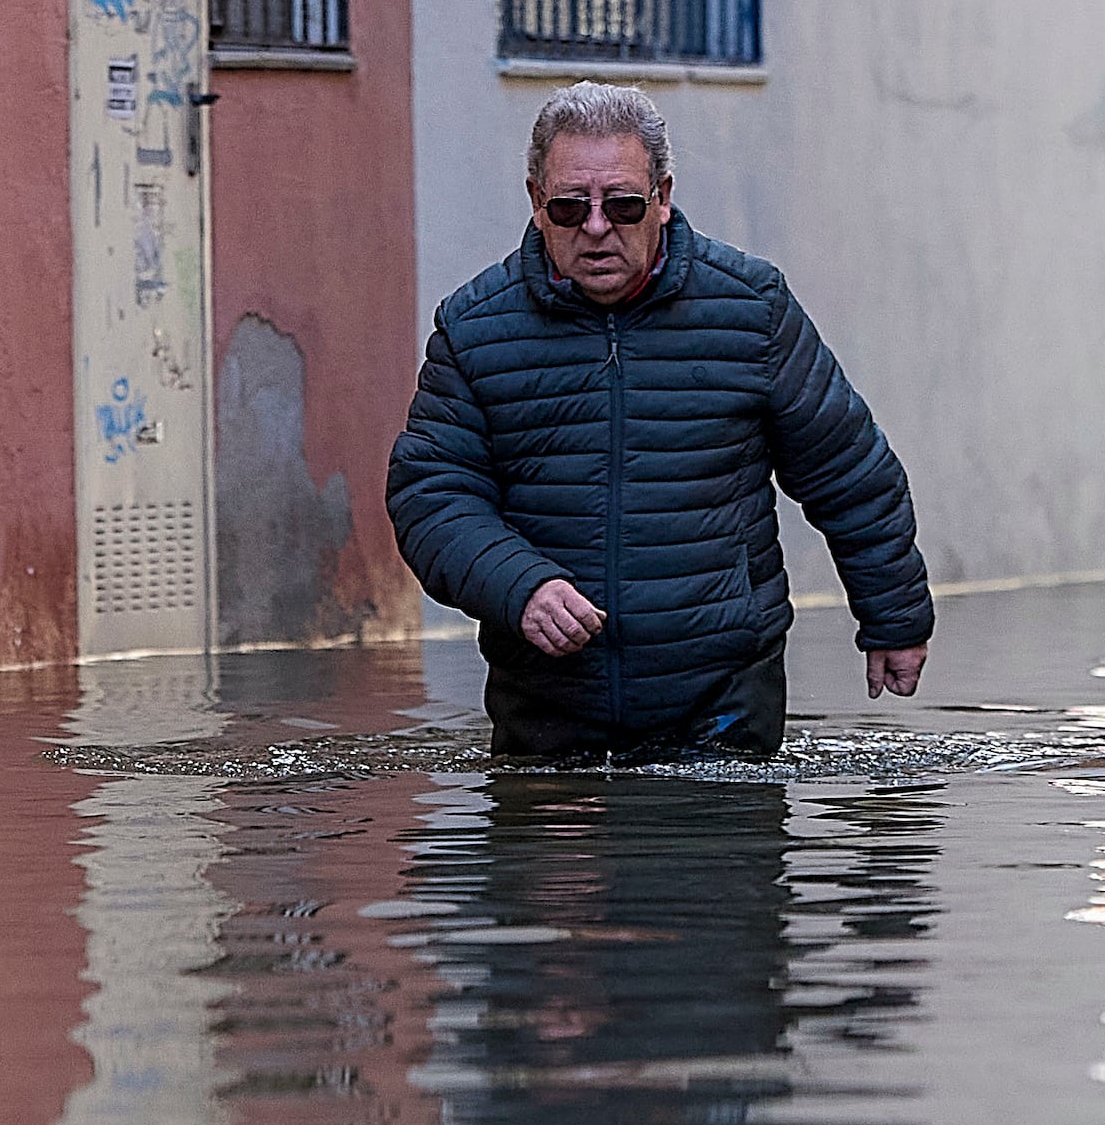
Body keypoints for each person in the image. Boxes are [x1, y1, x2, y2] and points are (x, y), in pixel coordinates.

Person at [385, 82, 932, 758]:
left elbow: (849, 472)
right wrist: (520, 584)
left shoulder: (751, 309)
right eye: (566, 207)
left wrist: (894, 618)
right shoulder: (474, 329)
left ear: (663, 198)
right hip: (550, 703)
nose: (594, 227)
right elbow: (431, 493)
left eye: (621, 204)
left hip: (723, 699)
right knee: (539, 856)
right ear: (534, 202)